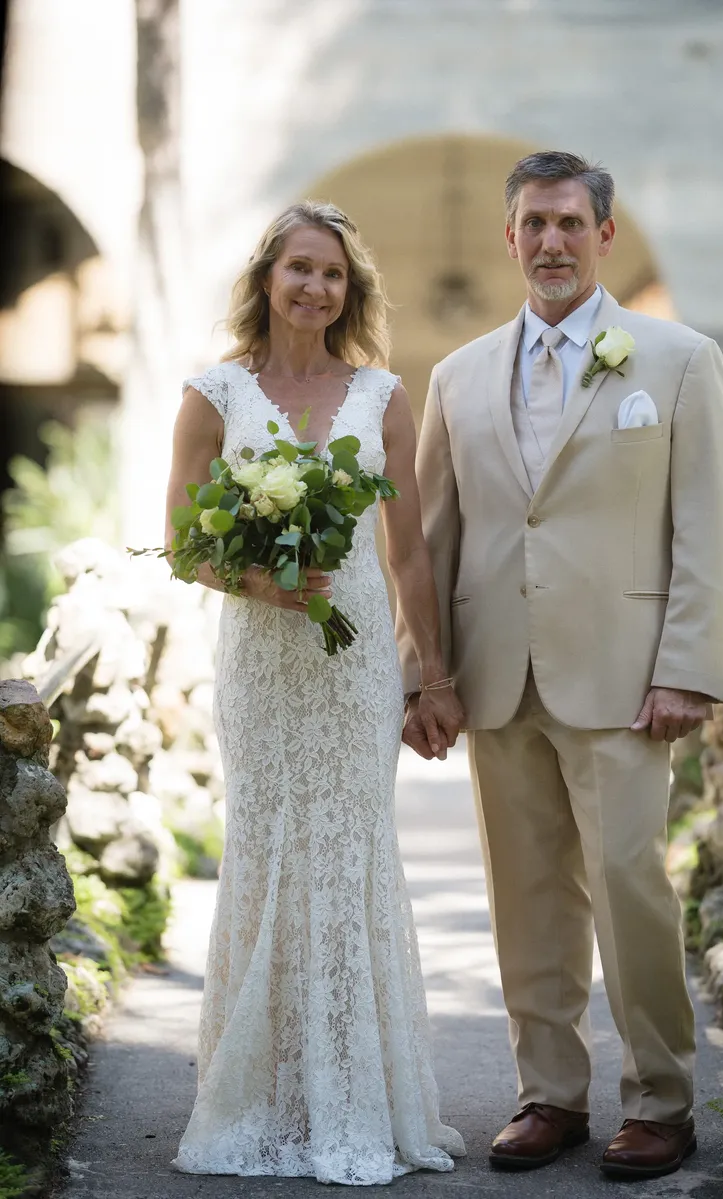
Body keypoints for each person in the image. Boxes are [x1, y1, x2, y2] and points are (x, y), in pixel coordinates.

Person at [397, 151, 723, 1181]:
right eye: (531, 224)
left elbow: (712, 524)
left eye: (566, 222)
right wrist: (428, 673)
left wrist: (688, 663)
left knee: (629, 887)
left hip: (629, 680)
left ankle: (659, 1099)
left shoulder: (677, 359)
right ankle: (547, 1091)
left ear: (603, 234)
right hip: (497, 677)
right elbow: (429, 537)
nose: (549, 241)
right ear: (506, 239)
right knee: (525, 898)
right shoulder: (456, 375)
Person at [167, 200, 464, 1185]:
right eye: (298, 268)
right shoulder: (213, 392)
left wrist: (432, 674)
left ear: (350, 290)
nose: (313, 287)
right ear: (267, 278)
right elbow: (184, 545)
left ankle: (352, 1093)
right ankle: (265, 1094)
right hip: (259, 659)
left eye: (331, 274)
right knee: (265, 854)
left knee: (346, 860)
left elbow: (408, 550)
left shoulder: (380, 394)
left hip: (351, 669)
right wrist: (256, 578)